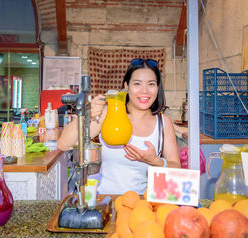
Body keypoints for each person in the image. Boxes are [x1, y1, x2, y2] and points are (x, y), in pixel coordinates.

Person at [57, 58, 181, 195]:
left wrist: (155, 161)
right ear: (126, 86)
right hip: (102, 200)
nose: (144, 91)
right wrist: (87, 116)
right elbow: (64, 144)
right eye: (137, 84)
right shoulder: (108, 113)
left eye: (151, 84)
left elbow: (176, 169)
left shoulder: (163, 122)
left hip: (140, 204)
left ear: (158, 88)